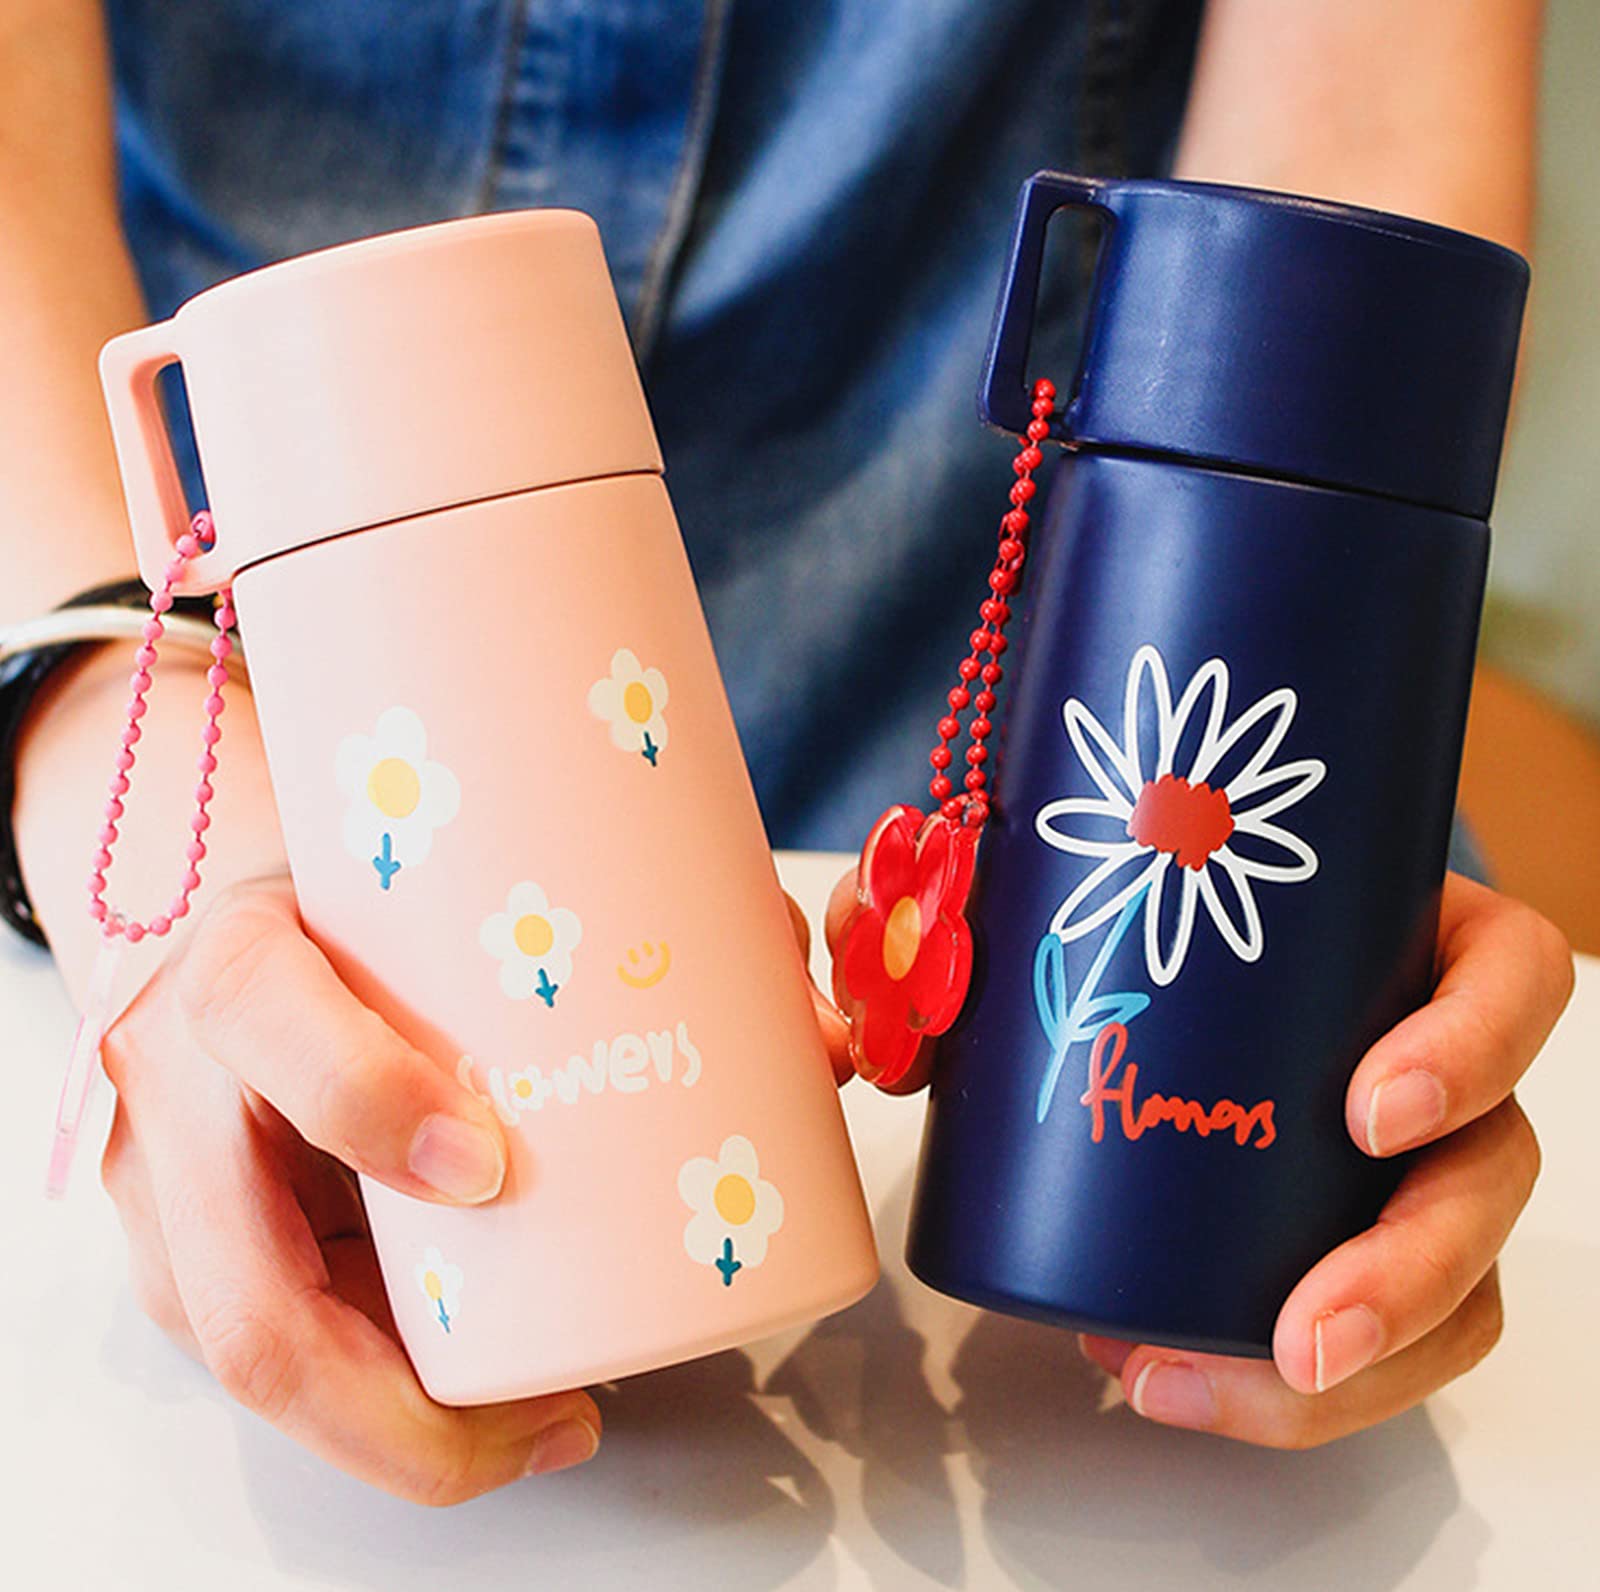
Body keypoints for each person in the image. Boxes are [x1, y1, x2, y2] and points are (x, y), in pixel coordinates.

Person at [1, 0, 1571, 1503]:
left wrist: (1361, 818)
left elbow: (1347, 201)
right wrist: (99, 733)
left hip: (1025, 789)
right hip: (241, 730)